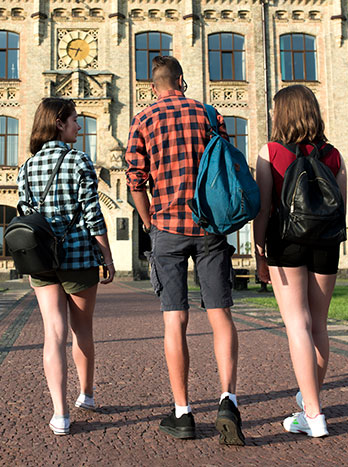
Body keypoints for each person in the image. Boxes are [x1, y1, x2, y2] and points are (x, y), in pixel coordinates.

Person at [124, 56, 245, 446]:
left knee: (175, 321)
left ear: (152, 86)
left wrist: (148, 223)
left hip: (168, 229)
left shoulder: (142, 120)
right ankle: (228, 399)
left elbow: (135, 181)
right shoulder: (209, 113)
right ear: (181, 80)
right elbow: (223, 165)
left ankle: (183, 413)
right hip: (209, 226)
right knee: (220, 314)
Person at [253, 85, 347, 438]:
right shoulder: (334, 155)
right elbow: (342, 207)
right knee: (319, 324)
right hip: (326, 242)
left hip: (286, 241)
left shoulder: (272, 152)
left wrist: (260, 251)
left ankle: (313, 412)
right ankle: (311, 399)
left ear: (282, 114)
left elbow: (264, 208)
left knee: (297, 323)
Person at [20, 97, 115, 435]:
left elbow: (24, 213)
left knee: (53, 333)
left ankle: (60, 414)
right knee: (82, 330)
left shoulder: (27, 167)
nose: (79, 125)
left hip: (41, 261)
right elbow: (92, 214)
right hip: (78, 258)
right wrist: (107, 255)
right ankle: (86, 395)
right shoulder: (79, 161)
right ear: (59, 123)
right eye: (75, 119)